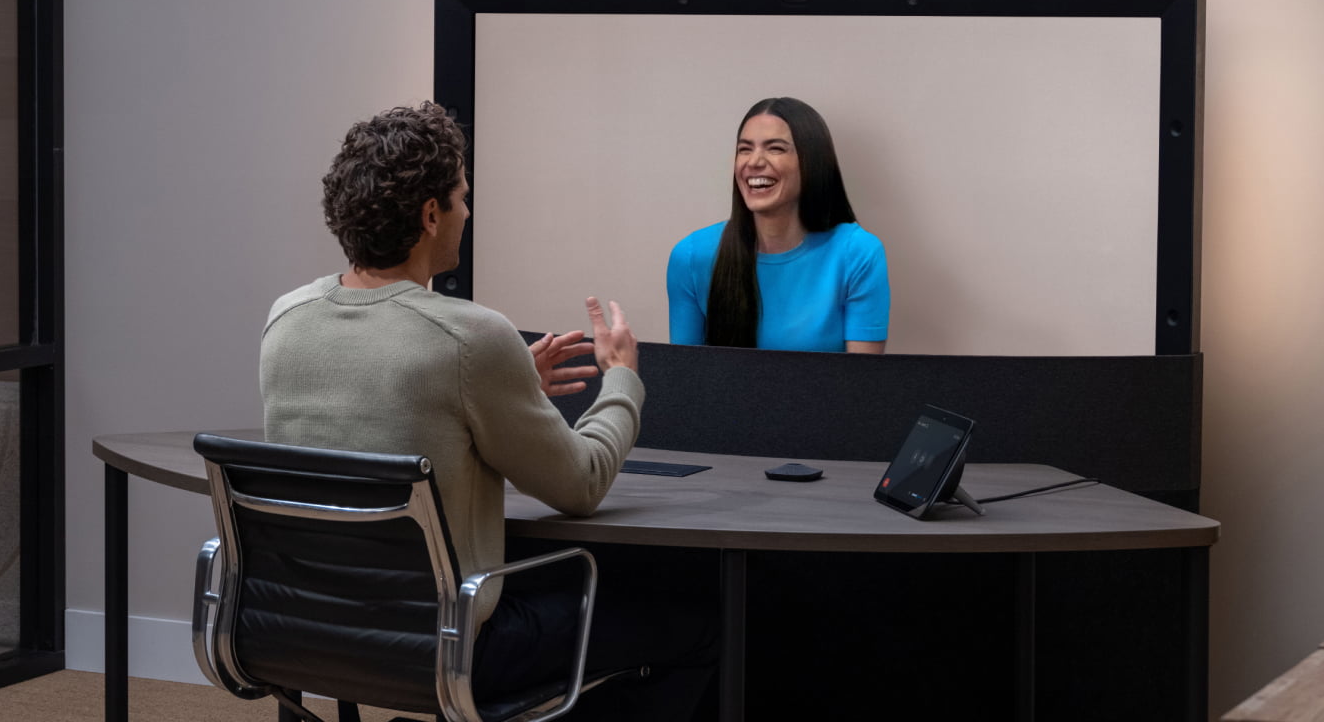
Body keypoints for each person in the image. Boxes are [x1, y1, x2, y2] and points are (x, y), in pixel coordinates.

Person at [261, 102, 716, 721]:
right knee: (701, 627)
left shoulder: (287, 319)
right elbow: (581, 484)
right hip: (451, 644)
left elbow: (378, 406)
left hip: (309, 625)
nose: (468, 213)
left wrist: (507, 384)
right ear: (429, 215)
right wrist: (621, 381)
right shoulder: (468, 337)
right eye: (462, 197)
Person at [667, 97, 889, 352]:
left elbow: (861, 384)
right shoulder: (691, 257)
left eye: (775, 148)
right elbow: (689, 379)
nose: (754, 162)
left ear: (811, 162)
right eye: (745, 149)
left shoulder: (858, 254)